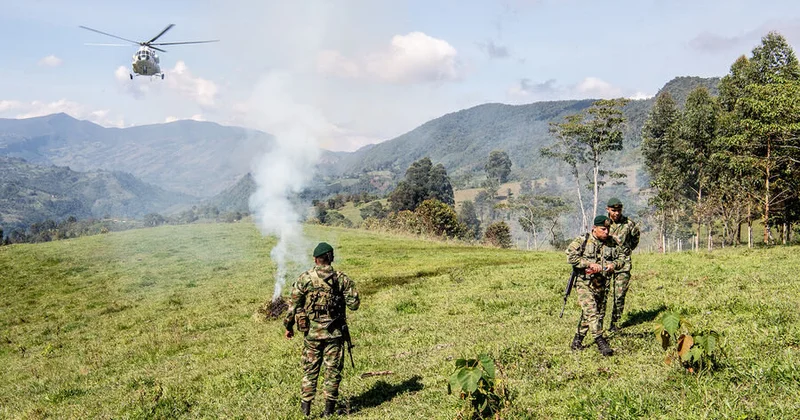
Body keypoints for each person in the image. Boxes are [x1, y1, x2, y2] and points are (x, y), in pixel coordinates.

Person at [284, 242, 360, 417]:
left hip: (311, 334)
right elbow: (354, 305)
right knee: (332, 371)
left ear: (315, 259)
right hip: (334, 333)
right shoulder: (341, 278)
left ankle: (306, 411)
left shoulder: (305, 278)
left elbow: (293, 307)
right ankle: (328, 412)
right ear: (331, 258)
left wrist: (289, 327)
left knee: (310, 370)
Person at [566, 215, 626, 356]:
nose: (606, 232)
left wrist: (612, 266)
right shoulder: (583, 240)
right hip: (584, 283)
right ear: (594, 228)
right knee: (592, 311)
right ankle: (600, 341)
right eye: (603, 229)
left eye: (608, 229)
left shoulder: (613, 242)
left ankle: (577, 341)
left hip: (602, 284)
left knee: (592, 314)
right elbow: (570, 256)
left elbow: (622, 258)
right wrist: (589, 264)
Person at [605, 197, 640, 333]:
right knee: (603, 294)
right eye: (614, 210)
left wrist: (625, 251)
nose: (617, 213)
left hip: (623, 264)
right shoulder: (604, 223)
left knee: (619, 295)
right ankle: (598, 323)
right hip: (606, 263)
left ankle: (615, 323)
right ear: (608, 209)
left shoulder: (629, 224)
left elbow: (635, 240)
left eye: (619, 210)